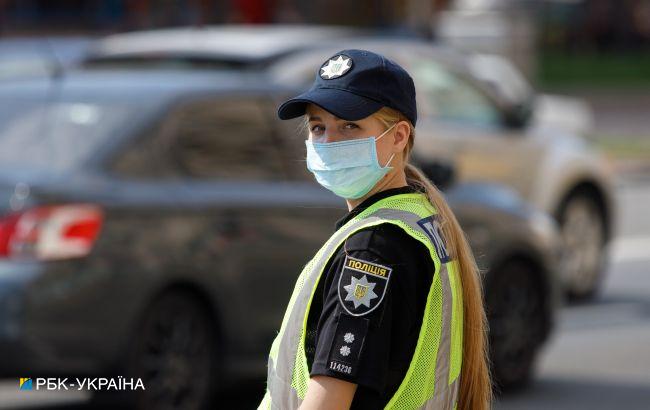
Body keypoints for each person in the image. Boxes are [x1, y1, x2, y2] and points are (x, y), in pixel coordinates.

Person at [258, 49, 491, 410]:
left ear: (398, 137)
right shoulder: (418, 218)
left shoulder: (372, 249)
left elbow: (329, 401)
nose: (328, 142)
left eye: (349, 125)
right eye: (318, 126)